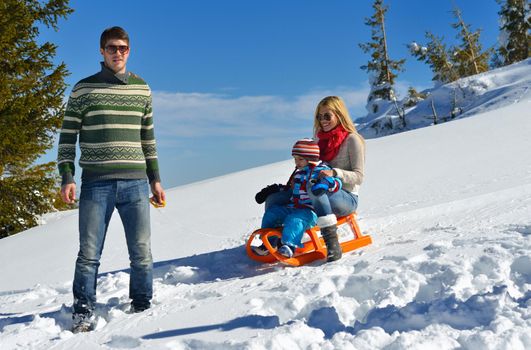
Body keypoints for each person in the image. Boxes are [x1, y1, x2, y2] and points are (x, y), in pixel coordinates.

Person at [57, 26, 166, 333]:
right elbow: (67, 139)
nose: (117, 53)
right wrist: (68, 176)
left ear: (129, 51)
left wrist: (155, 179)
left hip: (135, 183)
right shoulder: (83, 89)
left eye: (122, 48)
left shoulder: (142, 89)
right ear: (101, 51)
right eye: (111, 48)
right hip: (96, 183)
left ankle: (142, 305)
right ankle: (83, 312)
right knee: (89, 254)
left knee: (141, 252)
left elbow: (148, 138)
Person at [264, 96, 365, 262]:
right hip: (312, 190)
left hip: (344, 197)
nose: (323, 120)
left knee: (315, 190)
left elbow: (359, 177)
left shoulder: (352, 140)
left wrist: (334, 173)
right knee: (274, 199)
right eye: (319, 116)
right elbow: (309, 163)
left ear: (339, 115)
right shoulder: (319, 140)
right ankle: (277, 238)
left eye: (327, 116)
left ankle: (332, 243)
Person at [254, 139, 342, 258]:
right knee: (272, 212)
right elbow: (290, 188)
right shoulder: (299, 173)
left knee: (294, 219)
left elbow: (336, 183)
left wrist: (326, 183)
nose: (297, 162)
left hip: (311, 212)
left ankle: (289, 246)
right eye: (295, 159)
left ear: (311, 158)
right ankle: (269, 242)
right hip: (294, 206)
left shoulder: (321, 171)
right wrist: (275, 189)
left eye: (300, 159)